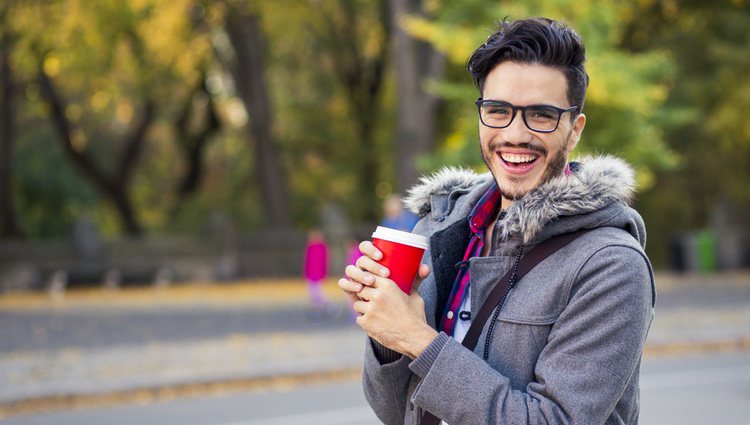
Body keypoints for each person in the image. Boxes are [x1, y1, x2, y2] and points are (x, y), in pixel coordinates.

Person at [339, 17, 655, 424]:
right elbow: (396, 412)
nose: (515, 134)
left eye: (540, 115)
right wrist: (388, 333)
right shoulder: (440, 230)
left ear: (574, 130)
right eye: (498, 110)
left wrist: (416, 338)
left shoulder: (611, 266)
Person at [303, 228, 329, 315]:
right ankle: (316, 310)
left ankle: (323, 309)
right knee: (312, 294)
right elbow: (307, 261)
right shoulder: (310, 247)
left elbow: (324, 262)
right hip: (310, 274)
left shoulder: (322, 247)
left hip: (317, 274)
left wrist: (323, 274)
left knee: (318, 294)